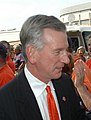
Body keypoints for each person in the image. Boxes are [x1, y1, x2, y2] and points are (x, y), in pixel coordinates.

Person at [0, 15, 89, 120]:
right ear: (32, 53)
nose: (67, 60)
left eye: (66, 50)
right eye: (57, 52)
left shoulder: (65, 83)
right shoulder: (5, 101)